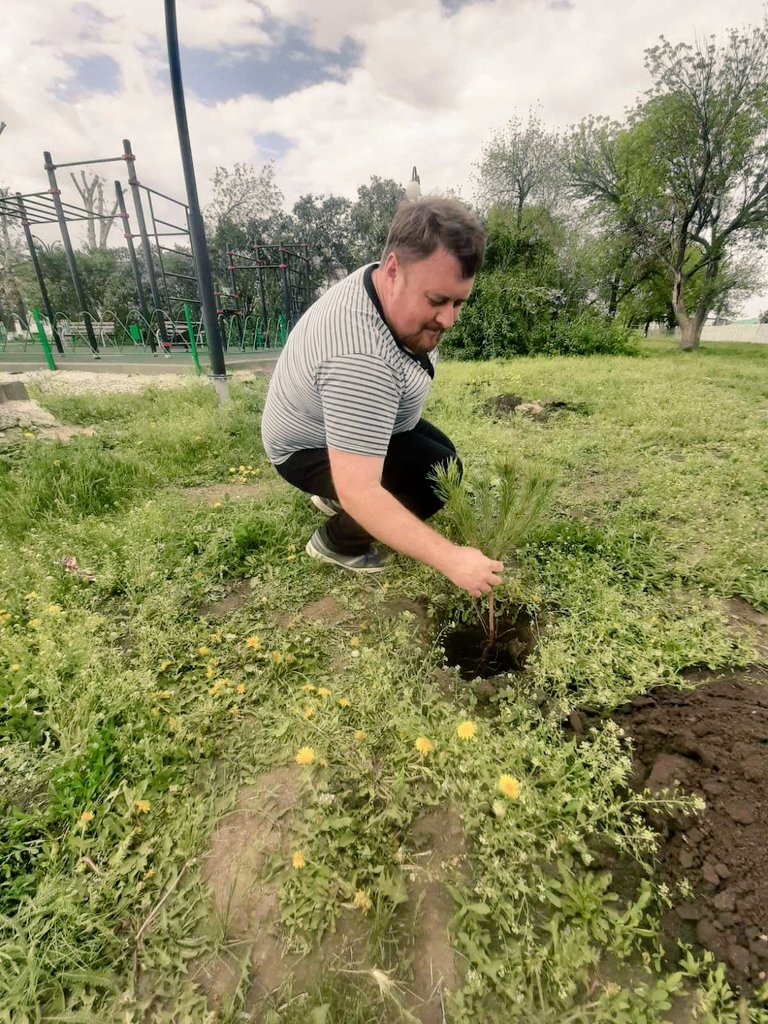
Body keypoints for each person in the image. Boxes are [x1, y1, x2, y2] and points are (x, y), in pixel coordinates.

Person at [260, 197, 503, 598]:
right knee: (430, 482)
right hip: (305, 446)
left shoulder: (385, 280)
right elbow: (363, 492)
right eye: (438, 301)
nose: (449, 319)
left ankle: (331, 493)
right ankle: (336, 542)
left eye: (459, 302)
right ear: (393, 270)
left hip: (326, 419)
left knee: (442, 456)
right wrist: (453, 559)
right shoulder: (359, 359)